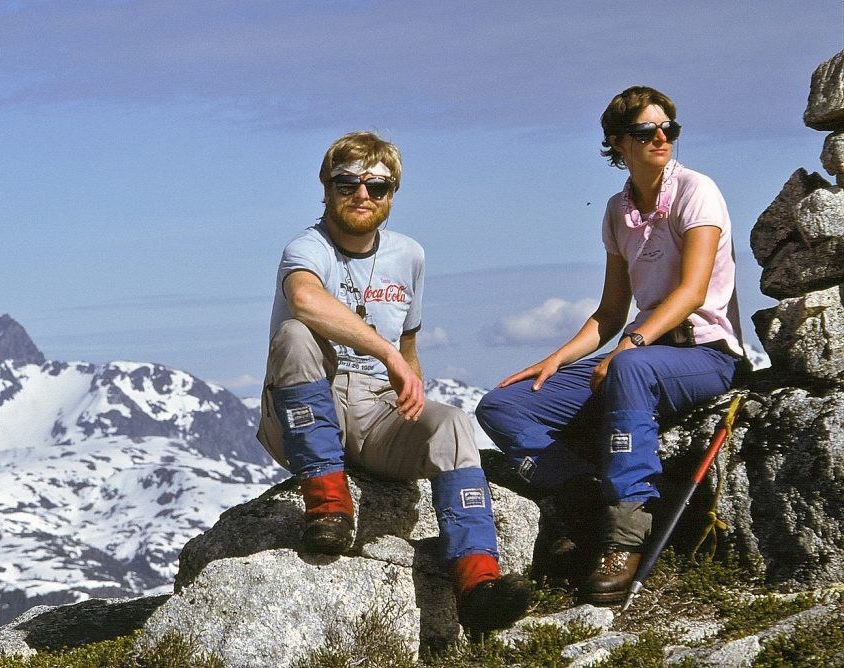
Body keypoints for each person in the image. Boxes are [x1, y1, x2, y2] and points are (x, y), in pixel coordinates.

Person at [475, 86, 745, 605]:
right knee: (503, 404)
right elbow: (609, 313)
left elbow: (691, 292)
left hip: (705, 353)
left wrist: (631, 346)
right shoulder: (617, 210)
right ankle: (581, 496)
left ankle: (624, 537)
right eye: (646, 131)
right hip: (640, 354)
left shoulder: (697, 191)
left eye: (670, 127)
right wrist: (555, 360)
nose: (662, 137)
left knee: (630, 371)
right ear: (618, 143)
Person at [256, 131, 533, 635]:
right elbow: (303, 300)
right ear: (325, 188)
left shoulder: (410, 256)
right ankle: (329, 509)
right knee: (296, 335)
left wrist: (410, 388)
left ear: (392, 196)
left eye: (378, 187)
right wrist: (383, 351)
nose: (363, 195)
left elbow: (408, 346)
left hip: (376, 411)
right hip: (306, 401)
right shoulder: (305, 247)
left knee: (451, 424)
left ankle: (477, 584)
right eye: (348, 183)